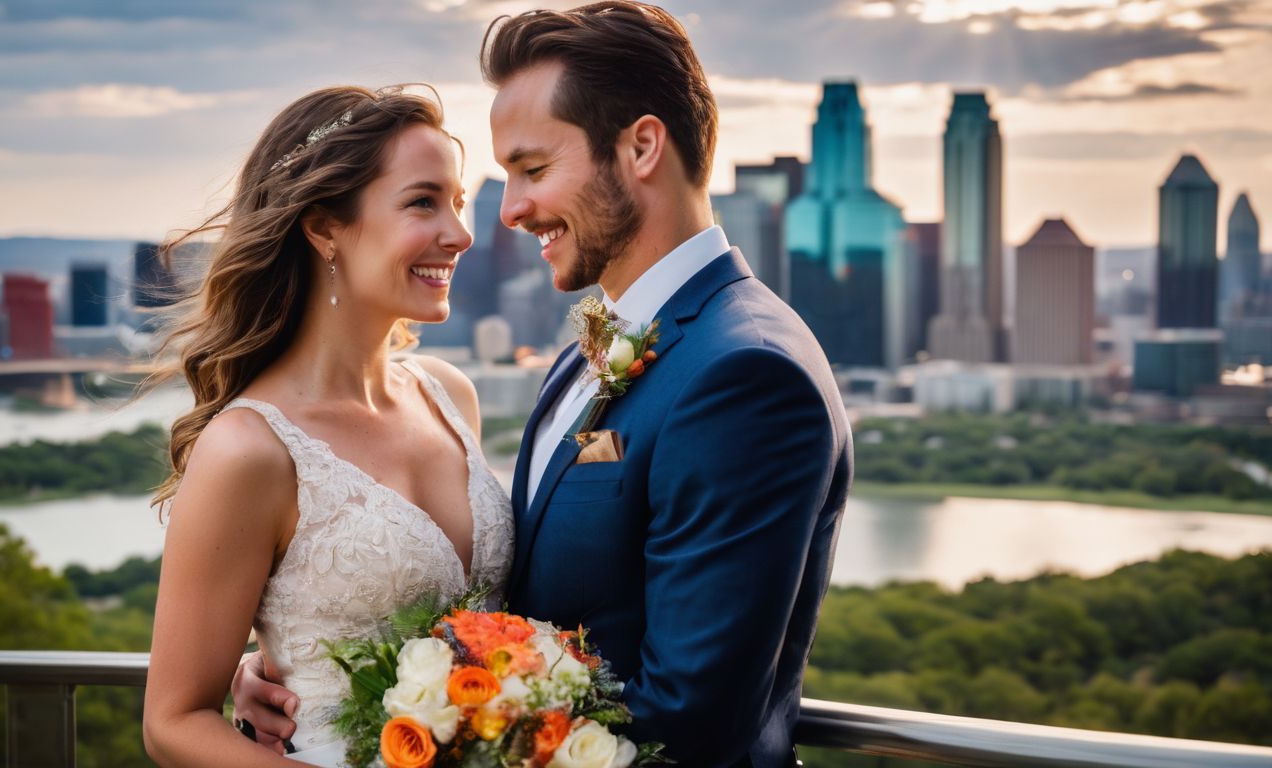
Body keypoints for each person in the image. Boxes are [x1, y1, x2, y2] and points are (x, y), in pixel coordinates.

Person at [236, 3, 853, 765]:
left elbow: (689, 719)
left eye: (532, 169)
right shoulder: (583, 354)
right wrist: (320, 670)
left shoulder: (747, 373)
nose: (514, 210)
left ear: (642, 147)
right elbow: (519, 605)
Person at [141, 85, 515, 768]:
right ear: (324, 228)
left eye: (457, 203)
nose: (459, 235)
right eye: (422, 201)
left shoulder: (451, 397)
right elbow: (173, 721)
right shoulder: (250, 450)